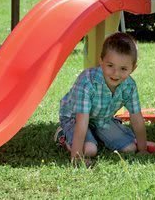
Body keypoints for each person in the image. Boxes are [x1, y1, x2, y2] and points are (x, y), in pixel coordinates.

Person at [54, 32, 148, 162]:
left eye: (123, 69)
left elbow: (137, 118)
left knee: (130, 148)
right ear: (101, 61)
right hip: (75, 118)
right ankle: (63, 134)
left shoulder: (129, 86)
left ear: (133, 68)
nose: (116, 73)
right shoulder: (87, 81)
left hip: (102, 119)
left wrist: (143, 149)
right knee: (90, 150)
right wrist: (76, 156)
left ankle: (95, 134)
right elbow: (82, 120)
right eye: (110, 66)